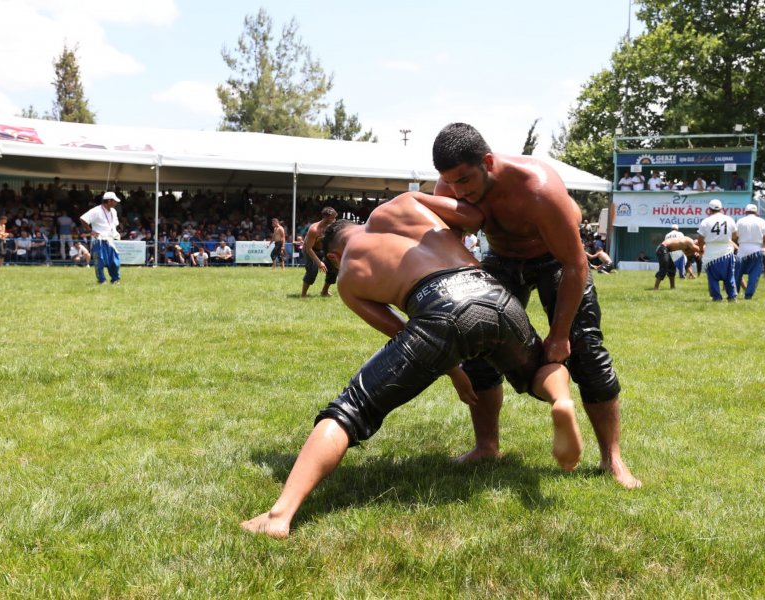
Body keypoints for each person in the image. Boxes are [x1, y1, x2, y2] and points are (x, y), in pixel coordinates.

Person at [240, 192, 583, 538]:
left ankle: (279, 515)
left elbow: (404, 333)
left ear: (333, 254)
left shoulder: (348, 278)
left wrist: (453, 369)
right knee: (539, 366)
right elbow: (471, 216)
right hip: (493, 291)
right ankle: (561, 400)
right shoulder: (402, 206)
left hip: (436, 305)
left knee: (352, 408)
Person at [414, 122, 639, 489]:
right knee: (477, 345)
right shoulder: (450, 187)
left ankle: (611, 459)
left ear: (487, 161)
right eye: (449, 182)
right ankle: (486, 446)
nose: (458, 191)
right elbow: (449, 245)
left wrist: (560, 334)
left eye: (465, 180)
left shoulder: (538, 187)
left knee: (586, 352)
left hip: (555, 260)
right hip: (500, 260)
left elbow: (575, 263)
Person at [696, 199, 737, 301]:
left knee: (712, 277)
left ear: (709, 210)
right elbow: (735, 236)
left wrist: (701, 250)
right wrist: (726, 239)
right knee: (729, 275)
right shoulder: (729, 219)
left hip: (711, 252)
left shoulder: (705, 221)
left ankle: (716, 297)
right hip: (726, 250)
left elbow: (700, 239)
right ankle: (732, 297)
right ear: (721, 208)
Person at [79, 191, 122, 285]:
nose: (116, 203)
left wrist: (115, 232)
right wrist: (91, 231)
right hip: (98, 240)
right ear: (109, 201)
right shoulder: (96, 210)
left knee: (115, 261)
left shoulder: (113, 211)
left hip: (110, 240)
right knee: (100, 261)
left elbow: (114, 224)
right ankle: (102, 280)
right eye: (114, 201)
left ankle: (115, 280)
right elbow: (83, 219)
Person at [733, 204, 765, 299]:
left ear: (745, 212)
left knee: (738, 273)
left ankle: (734, 294)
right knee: (754, 274)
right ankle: (748, 295)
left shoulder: (740, 221)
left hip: (742, 249)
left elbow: (734, 236)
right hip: (756, 249)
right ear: (756, 212)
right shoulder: (761, 221)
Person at [301, 207, 338, 297]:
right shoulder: (314, 229)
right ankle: (303, 294)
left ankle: (324, 291)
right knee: (312, 271)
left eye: (334, 218)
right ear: (325, 217)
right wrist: (319, 262)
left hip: (323, 250)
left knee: (334, 268)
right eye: (332, 218)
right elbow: (309, 248)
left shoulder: (331, 227)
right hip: (309, 250)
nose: (334, 220)